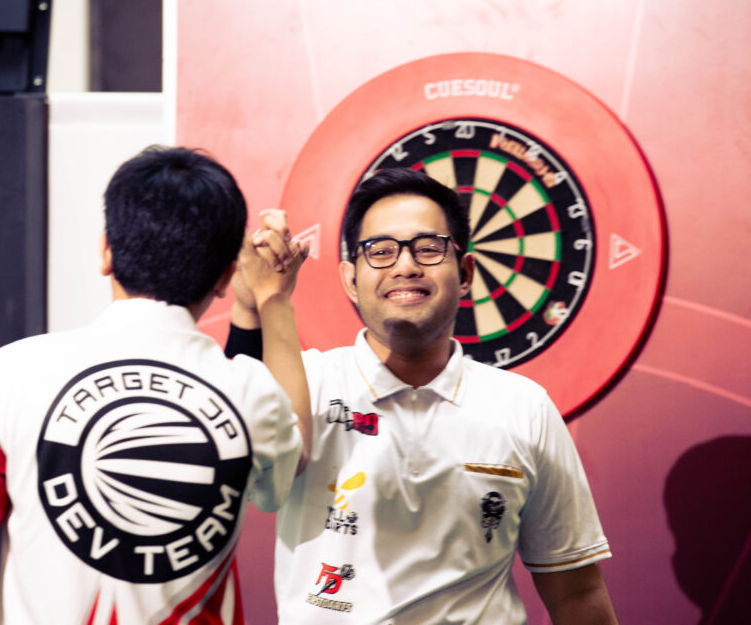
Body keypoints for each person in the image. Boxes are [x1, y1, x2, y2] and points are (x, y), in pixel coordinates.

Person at [0, 146, 310, 625]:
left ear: (106, 251)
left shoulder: (8, 373)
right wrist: (273, 298)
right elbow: (297, 451)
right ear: (226, 277)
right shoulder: (251, 393)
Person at [227, 168, 617, 623]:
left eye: (429, 248)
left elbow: (576, 592)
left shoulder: (524, 407)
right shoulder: (307, 384)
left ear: (465, 272)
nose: (405, 266)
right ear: (350, 279)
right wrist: (250, 307)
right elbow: (233, 451)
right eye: (381, 251)